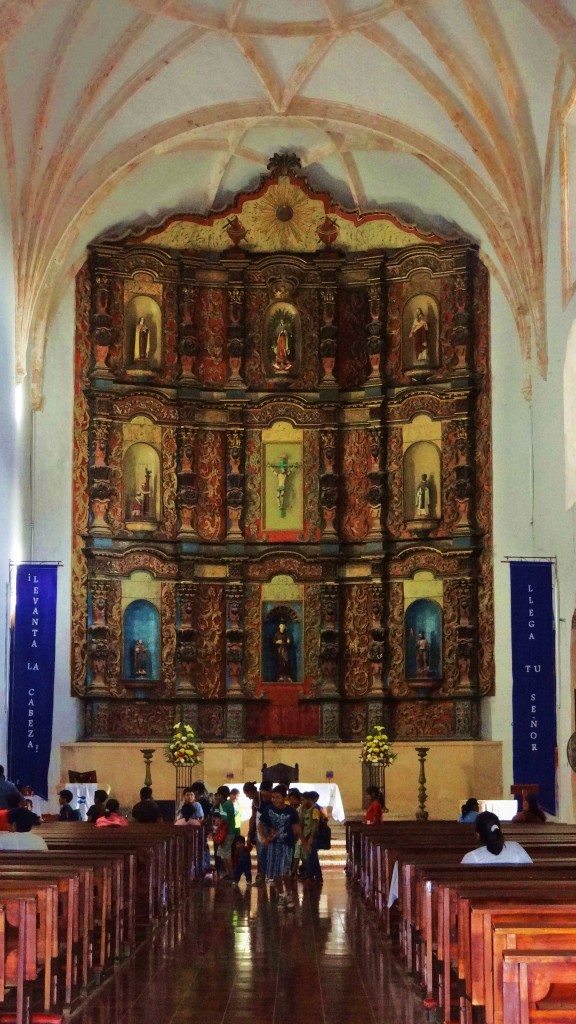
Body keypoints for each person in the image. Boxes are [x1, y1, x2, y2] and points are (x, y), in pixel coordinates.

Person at [258, 785, 301, 909]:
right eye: (273, 797)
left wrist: (303, 840)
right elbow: (260, 825)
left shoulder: (291, 811)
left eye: (278, 797)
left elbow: (296, 827)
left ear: (284, 798)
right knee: (275, 871)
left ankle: (289, 893)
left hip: (287, 844)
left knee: (286, 870)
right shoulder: (269, 810)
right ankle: (281, 894)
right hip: (273, 844)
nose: (275, 800)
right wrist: (263, 837)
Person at [460, 810, 532, 864]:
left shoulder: (470, 858)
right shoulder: (516, 848)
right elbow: (531, 870)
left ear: (478, 835)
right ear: (499, 829)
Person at [299, 791, 323, 885]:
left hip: (312, 836)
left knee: (313, 856)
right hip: (305, 835)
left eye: (303, 800)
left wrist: (311, 838)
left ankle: (318, 876)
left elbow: (315, 825)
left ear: (309, 800)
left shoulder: (315, 809)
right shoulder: (304, 809)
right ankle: (309, 875)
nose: (302, 802)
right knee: (308, 856)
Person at [213, 785, 236, 881]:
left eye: (218, 794)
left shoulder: (225, 805)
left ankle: (231, 875)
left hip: (227, 832)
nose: (217, 796)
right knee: (222, 853)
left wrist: (218, 827)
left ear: (221, 795)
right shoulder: (228, 803)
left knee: (226, 854)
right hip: (229, 831)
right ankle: (227, 872)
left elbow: (224, 819)